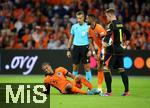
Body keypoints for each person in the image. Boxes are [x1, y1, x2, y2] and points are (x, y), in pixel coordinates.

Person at [102, 8, 131, 96]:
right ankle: (127, 91)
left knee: (106, 69)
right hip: (120, 50)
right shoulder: (120, 23)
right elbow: (128, 34)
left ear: (110, 15)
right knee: (121, 69)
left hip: (111, 51)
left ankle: (109, 92)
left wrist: (104, 43)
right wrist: (126, 43)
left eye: (107, 16)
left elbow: (108, 35)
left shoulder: (111, 25)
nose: (106, 18)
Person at [67, 11, 92, 82]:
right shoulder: (74, 27)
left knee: (87, 67)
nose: (79, 20)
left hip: (85, 48)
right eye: (77, 18)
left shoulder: (88, 26)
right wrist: (68, 49)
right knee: (75, 68)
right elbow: (71, 38)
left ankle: (89, 87)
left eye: (80, 18)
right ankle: (73, 85)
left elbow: (91, 39)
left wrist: (90, 50)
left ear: (84, 17)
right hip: (76, 48)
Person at [86, 13, 107, 92]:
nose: (86, 20)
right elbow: (90, 43)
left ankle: (107, 89)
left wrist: (102, 52)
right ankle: (100, 88)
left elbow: (104, 41)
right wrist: (94, 53)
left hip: (106, 48)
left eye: (87, 18)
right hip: (100, 49)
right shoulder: (89, 29)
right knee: (100, 67)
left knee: (105, 67)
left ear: (92, 19)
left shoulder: (99, 28)